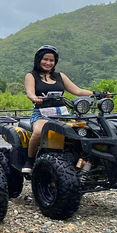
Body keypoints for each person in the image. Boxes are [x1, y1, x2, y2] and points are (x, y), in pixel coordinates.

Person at [22, 44, 95, 173]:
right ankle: (29, 160)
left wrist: (95, 93)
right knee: (38, 132)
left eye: (51, 60)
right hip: (42, 114)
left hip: (63, 114)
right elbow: (29, 91)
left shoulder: (60, 76)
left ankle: (84, 160)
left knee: (86, 131)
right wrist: (34, 98)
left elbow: (77, 91)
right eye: (45, 59)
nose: (48, 63)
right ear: (38, 59)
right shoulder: (31, 76)